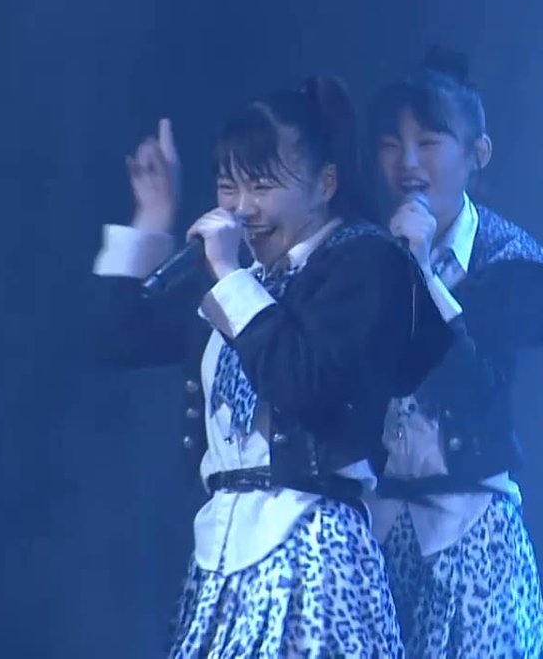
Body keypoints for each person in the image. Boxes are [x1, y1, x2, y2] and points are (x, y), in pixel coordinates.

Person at [91, 76, 451, 657]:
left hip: (313, 548)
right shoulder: (239, 274)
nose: (241, 209)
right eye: (227, 186)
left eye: (262, 185)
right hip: (222, 555)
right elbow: (116, 339)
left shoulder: (364, 261)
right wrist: (153, 217)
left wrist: (231, 278)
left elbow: (303, 383)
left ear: (324, 184)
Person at [363, 49, 543, 658]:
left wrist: (423, 272)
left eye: (428, 143)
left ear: (477, 153)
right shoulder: (362, 253)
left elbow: (470, 384)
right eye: (391, 145)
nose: (407, 163)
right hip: (377, 530)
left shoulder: (516, 264)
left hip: (474, 530)